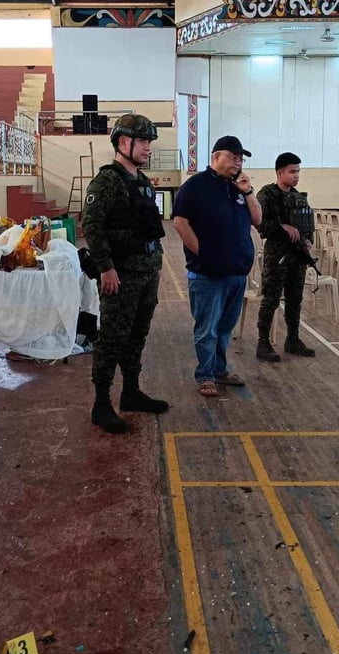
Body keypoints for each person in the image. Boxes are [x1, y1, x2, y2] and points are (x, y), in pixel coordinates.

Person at [81, 114, 169, 433]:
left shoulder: (140, 181)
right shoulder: (108, 181)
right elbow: (92, 225)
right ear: (123, 143)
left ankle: (130, 391)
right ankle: (101, 403)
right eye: (143, 142)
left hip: (146, 274)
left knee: (137, 335)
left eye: (149, 142)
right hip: (120, 275)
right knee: (112, 339)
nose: (148, 148)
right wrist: (106, 267)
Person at [172, 136, 262, 397]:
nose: (238, 162)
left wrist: (248, 191)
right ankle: (205, 375)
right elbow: (180, 223)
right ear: (215, 158)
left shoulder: (237, 188)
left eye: (240, 159)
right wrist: (205, 254)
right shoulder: (195, 187)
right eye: (233, 157)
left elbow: (257, 219)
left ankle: (220, 369)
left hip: (237, 272)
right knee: (207, 328)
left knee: (224, 327)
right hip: (208, 274)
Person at [255, 152, 317, 361]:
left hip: (297, 256)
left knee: (295, 299)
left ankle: (293, 339)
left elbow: (307, 224)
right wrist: (282, 227)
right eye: (292, 172)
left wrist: (308, 240)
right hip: (277, 255)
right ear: (279, 172)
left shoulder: (299, 198)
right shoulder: (267, 195)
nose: (296, 176)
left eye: (298, 171)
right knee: (271, 299)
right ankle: (263, 342)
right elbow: (260, 223)